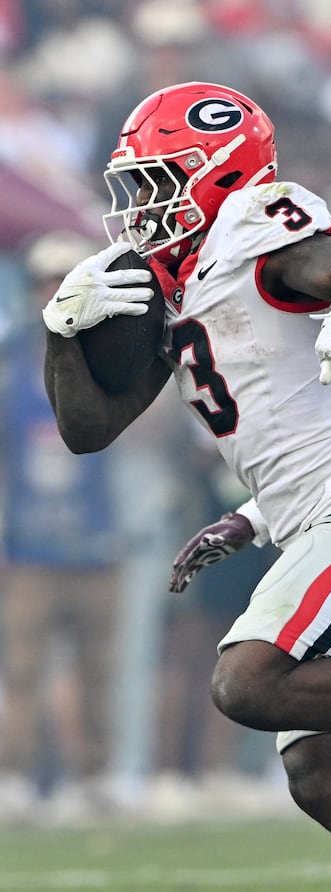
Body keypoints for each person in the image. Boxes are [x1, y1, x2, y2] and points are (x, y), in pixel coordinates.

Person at [41, 81, 331, 892]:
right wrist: (62, 335)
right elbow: (89, 429)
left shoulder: (259, 224)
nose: (141, 206)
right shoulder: (174, 281)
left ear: (219, 173)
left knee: (246, 682)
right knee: (321, 776)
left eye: (158, 180)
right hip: (317, 525)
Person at [0, 230, 125, 823]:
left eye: (63, 280)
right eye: (45, 283)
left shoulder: (112, 357)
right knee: (21, 668)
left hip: (98, 542)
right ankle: (14, 776)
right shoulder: (8, 368)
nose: (53, 292)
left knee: (98, 669)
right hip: (30, 544)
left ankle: (93, 776)